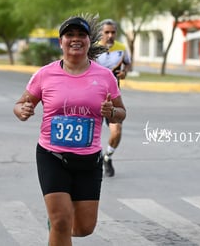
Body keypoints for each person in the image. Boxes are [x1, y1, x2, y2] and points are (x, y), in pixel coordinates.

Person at [13, 15, 126, 246]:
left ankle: (56, 224)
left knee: (84, 228)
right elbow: (20, 104)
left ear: (88, 40)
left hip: (88, 160)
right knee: (62, 221)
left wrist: (111, 113)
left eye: (81, 35)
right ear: (61, 41)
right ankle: (57, 222)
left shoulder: (105, 77)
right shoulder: (45, 74)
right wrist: (22, 110)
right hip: (52, 156)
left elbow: (122, 112)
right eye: (69, 35)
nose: (75, 39)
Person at [95, 19, 131, 177]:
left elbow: (127, 64)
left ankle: (107, 157)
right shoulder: (93, 49)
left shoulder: (122, 49)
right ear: (101, 33)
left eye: (113, 32)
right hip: (93, 99)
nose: (110, 35)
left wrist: (124, 73)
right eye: (106, 32)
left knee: (117, 132)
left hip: (112, 99)